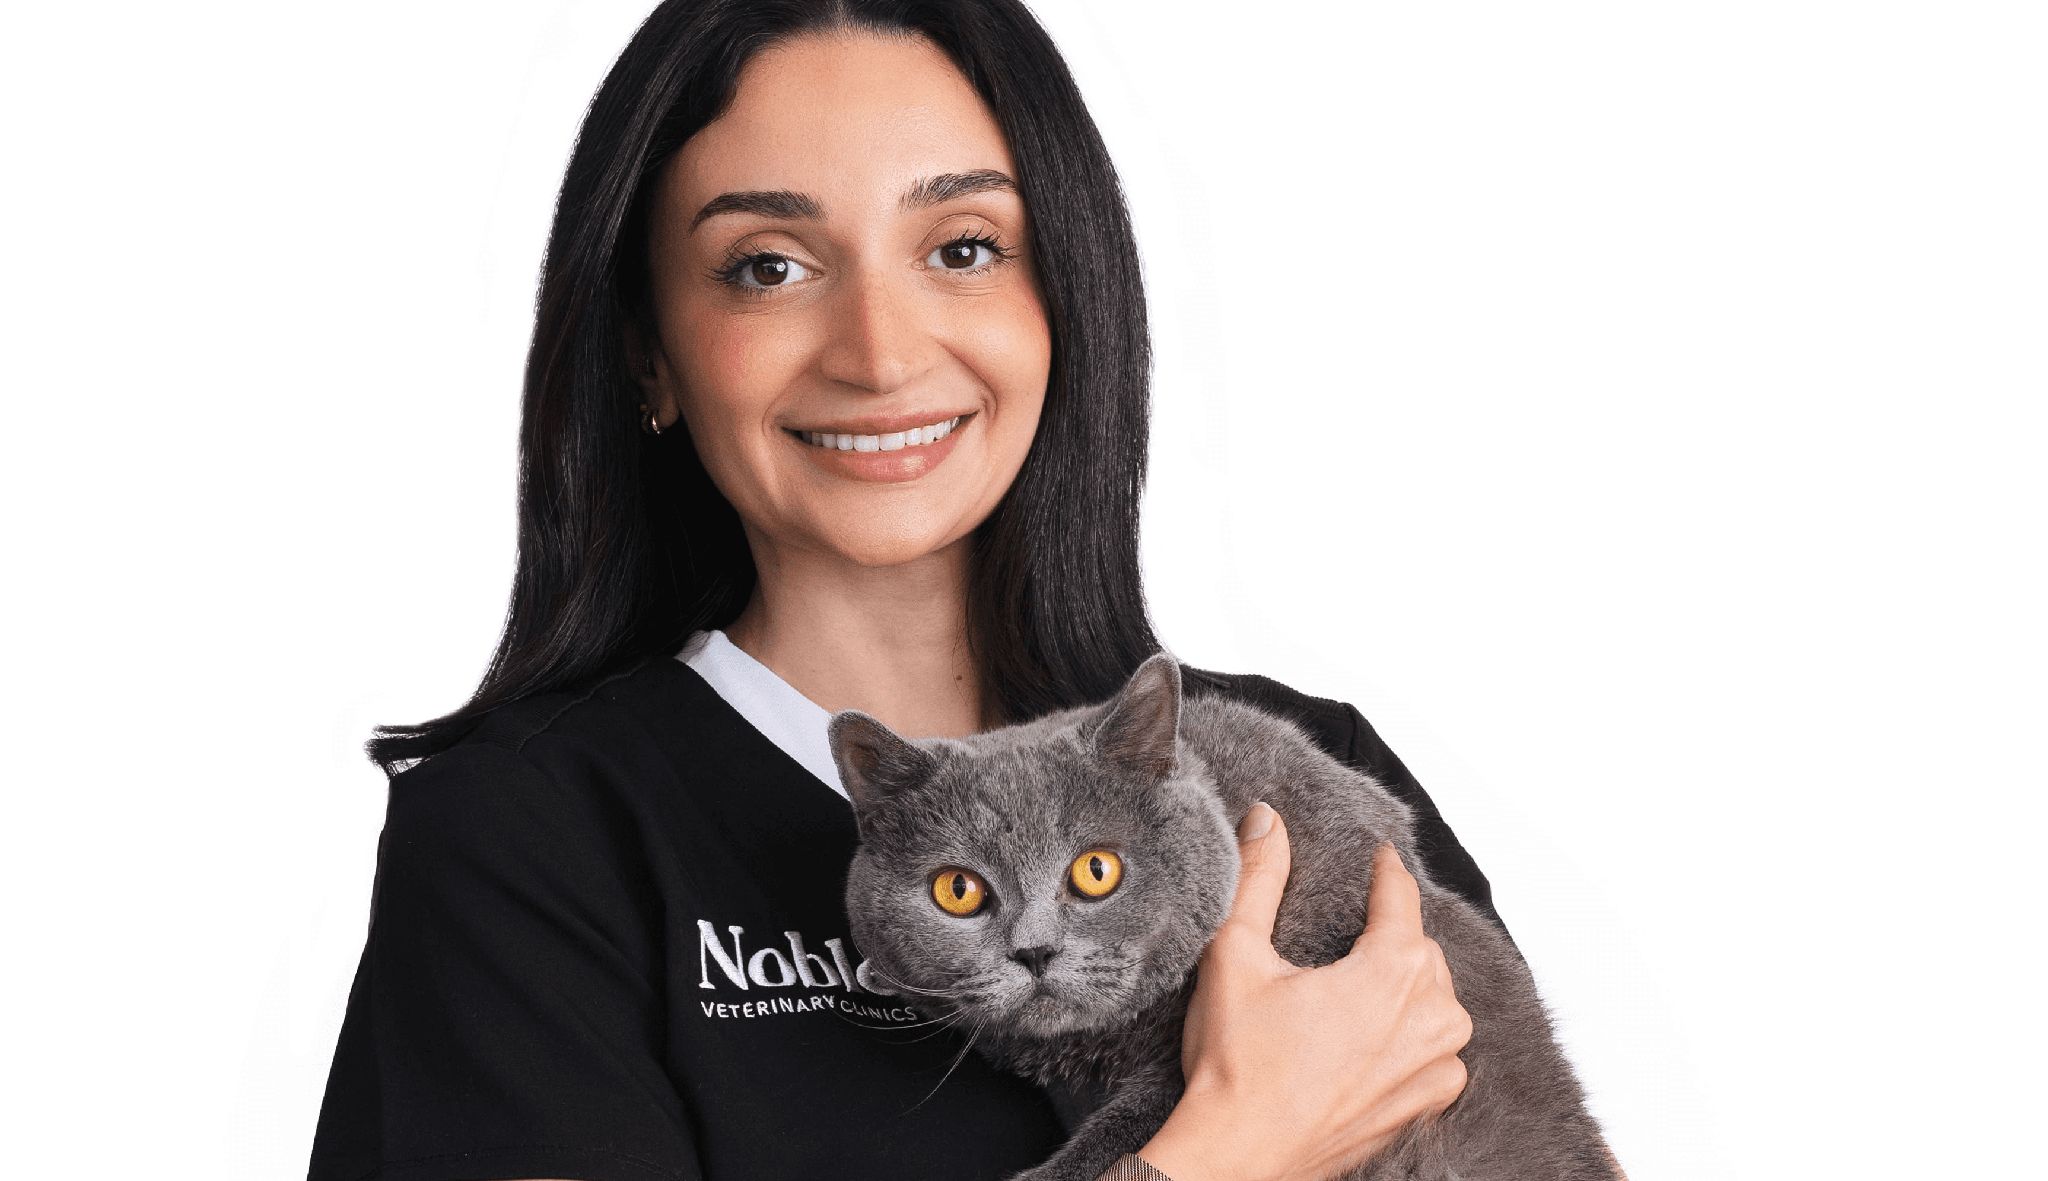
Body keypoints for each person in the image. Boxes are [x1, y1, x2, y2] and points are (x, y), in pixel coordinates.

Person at [307, 2, 1574, 1179]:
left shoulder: (1301, 778)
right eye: (767, 265)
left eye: (962, 248)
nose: (879, 353)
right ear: (650, 352)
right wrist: (1236, 1146)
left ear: (1062, 297)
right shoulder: (526, 835)